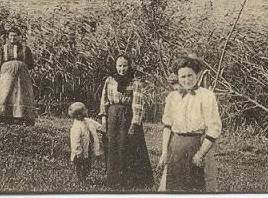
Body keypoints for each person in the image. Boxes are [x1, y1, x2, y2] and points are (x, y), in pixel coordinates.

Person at [158, 56, 222, 192]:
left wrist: (200, 154)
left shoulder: (207, 96)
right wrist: (164, 152)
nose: (187, 80)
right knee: (173, 186)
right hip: (176, 146)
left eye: (190, 75)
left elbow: (214, 128)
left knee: (198, 186)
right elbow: (167, 126)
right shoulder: (172, 97)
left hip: (198, 145)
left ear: (196, 75)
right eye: (183, 77)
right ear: (178, 77)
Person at [98, 55, 153, 188]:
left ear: (129, 66)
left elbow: (138, 104)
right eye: (119, 66)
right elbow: (104, 100)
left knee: (126, 145)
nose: (122, 69)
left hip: (127, 117)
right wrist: (104, 119)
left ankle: (128, 181)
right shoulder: (110, 80)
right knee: (112, 146)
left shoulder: (135, 83)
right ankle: (112, 180)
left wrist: (134, 124)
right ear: (115, 66)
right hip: (112, 116)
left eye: (125, 66)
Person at [0, 27, 37, 125]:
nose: (13, 38)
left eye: (15, 36)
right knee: (6, 93)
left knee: (21, 94)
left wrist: (20, 66)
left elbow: (30, 64)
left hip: (22, 76)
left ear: (20, 37)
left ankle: (22, 117)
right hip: (7, 75)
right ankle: (4, 116)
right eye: (11, 36)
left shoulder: (26, 49)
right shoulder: (3, 48)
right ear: (8, 37)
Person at [69, 101, 103, 182]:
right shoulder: (76, 127)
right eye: (84, 110)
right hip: (80, 151)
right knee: (80, 164)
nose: (86, 111)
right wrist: (78, 152)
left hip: (88, 147)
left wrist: (103, 129)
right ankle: (80, 178)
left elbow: (97, 126)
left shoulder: (87, 121)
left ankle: (84, 176)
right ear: (78, 114)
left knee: (87, 163)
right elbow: (75, 140)